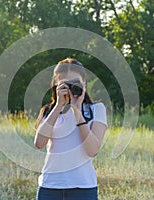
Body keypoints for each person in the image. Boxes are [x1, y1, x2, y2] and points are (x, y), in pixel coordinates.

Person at [34, 58, 107, 200]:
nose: (71, 88)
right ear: (57, 85)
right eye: (65, 84)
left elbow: (92, 150)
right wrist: (59, 106)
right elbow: (39, 143)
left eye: (75, 83)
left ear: (84, 84)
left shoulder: (96, 109)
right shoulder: (50, 111)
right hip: (50, 187)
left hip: (83, 188)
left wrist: (76, 110)